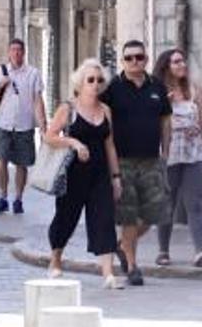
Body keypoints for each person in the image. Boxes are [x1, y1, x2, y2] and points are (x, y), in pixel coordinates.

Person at [45, 59, 124, 289]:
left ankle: (108, 274)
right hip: (73, 174)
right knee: (66, 218)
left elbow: (110, 146)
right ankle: (56, 260)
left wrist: (116, 178)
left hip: (99, 174)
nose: (95, 84)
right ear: (80, 83)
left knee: (104, 219)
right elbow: (50, 136)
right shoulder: (68, 109)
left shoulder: (106, 111)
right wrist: (73, 142)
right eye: (91, 80)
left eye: (100, 80)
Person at [100, 40, 171, 286]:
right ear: (122, 61)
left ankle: (123, 245)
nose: (134, 62)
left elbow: (165, 121)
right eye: (128, 58)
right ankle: (132, 266)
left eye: (138, 57)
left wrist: (166, 152)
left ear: (146, 59)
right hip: (123, 161)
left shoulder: (158, 87)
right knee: (129, 215)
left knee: (153, 214)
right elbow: (103, 121)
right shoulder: (112, 88)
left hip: (152, 159)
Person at [152, 49, 202, 268]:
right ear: (166, 66)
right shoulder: (158, 91)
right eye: (176, 62)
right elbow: (153, 122)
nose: (182, 65)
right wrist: (164, 104)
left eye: (183, 61)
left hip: (195, 151)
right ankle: (163, 251)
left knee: (195, 204)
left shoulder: (193, 89)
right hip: (170, 153)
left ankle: (201, 252)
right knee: (167, 204)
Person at [0, 38, 47, 214]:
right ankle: (3, 197)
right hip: (4, 124)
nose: (16, 53)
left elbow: (37, 100)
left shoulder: (33, 73)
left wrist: (42, 125)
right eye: (13, 50)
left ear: (24, 52)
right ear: (8, 52)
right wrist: (0, 85)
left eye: (19, 50)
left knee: (22, 164)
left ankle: (18, 198)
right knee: (0, 161)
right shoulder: (0, 71)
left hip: (25, 125)